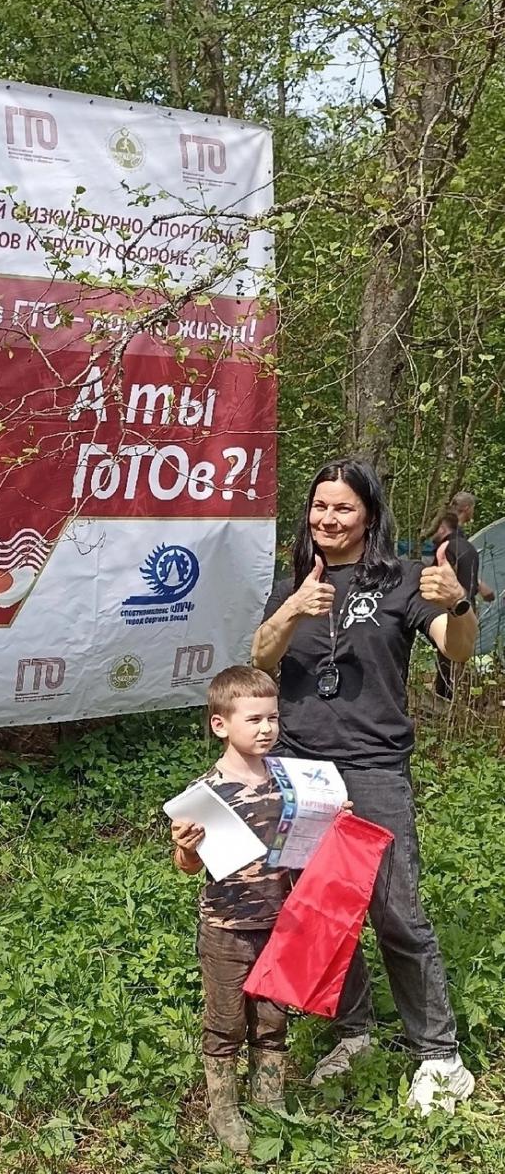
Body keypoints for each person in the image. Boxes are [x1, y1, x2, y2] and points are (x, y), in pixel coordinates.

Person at [251, 458, 477, 1116]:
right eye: (319, 506)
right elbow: (260, 657)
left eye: (343, 507)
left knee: (395, 911)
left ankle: (439, 1054)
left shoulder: (402, 580)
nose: (328, 518)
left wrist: (458, 602)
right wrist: (293, 609)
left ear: (369, 515)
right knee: (322, 907)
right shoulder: (292, 583)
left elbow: (458, 649)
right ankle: (355, 1034)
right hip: (300, 768)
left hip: (374, 767)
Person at [170, 665, 291, 1154]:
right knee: (227, 1022)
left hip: (280, 924)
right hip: (226, 929)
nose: (266, 728)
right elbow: (186, 866)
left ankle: (269, 1098)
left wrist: (331, 815)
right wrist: (186, 848)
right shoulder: (204, 794)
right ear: (220, 725)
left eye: (273, 718)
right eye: (254, 719)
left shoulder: (288, 778)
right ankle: (223, 1108)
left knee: (273, 1019)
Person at [430, 509, 493, 700]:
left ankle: (443, 698)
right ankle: (454, 697)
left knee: (446, 654)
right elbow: (471, 578)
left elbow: (444, 577)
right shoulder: (469, 547)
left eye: (434, 528)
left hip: (451, 606)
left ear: (442, 527)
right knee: (461, 654)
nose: (432, 533)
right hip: (469, 605)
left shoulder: (446, 548)